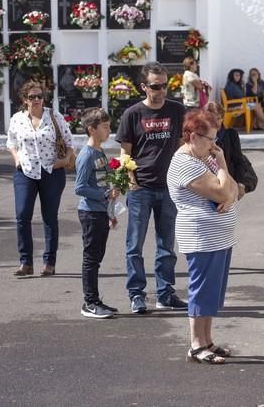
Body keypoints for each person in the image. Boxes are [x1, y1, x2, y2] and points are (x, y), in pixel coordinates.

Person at [167, 109, 239, 364]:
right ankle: (196, 345)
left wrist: (228, 192)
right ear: (192, 135)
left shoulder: (203, 158)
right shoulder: (185, 162)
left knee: (212, 291)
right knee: (201, 289)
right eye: (209, 139)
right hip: (201, 236)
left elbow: (231, 188)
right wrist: (222, 168)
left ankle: (207, 340)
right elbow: (221, 192)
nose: (214, 145)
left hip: (218, 236)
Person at [115, 61, 188, 313]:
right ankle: (136, 295)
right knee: (134, 245)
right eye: (156, 86)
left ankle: (165, 293)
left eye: (165, 85)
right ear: (144, 87)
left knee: (166, 245)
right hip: (141, 189)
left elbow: (182, 145)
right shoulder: (133, 114)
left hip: (170, 188)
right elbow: (125, 152)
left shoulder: (177, 110)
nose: (162, 91)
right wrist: (131, 181)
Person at [7, 80, 74, 276]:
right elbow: (11, 142)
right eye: (32, 97)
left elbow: (70, 142)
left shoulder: (54, 116)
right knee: (22, 215)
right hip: (25, 172)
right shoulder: (17, 119)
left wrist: (64, 161)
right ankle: (26, 262)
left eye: (40, 96)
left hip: (51, 172)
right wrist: (17, 159)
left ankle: (49, 262)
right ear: (24, 99)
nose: (36, 100)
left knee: (49, 217)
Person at [74, 108, 120, 319]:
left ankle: (95, 299)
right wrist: (104, 194)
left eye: (109, 126)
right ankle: (89, 302)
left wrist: (110, 209)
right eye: (104, 126)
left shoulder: (99, 152)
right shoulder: (86, 154)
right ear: (91, 129)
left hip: (100, 212)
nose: (109, 130)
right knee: (91, 259)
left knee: (97, 258)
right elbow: (80, 187)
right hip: (90, 213)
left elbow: (102, 181)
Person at [206, 102, 257, 200]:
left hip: (227, 183)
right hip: (207, 184)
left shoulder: (231, 134)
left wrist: (241, 184)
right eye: (211, 119)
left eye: (218, 118)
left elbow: (238, 160)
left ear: (222, 117)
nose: (216, 122)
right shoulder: (200, 136)